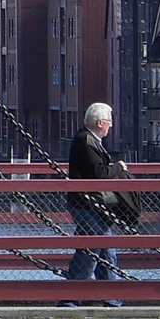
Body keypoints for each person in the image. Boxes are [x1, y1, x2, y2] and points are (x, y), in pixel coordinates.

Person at [66, 101, 132, 289]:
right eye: (109, 121)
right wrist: (118, 167)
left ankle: (110, 297)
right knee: (90, 251)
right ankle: (73, 296)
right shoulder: (86, 141)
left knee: (105, 251)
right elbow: (99, 172)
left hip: (93, 204)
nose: (111, 125)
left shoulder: (87, 140)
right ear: (100, 123)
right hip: (87, 204)